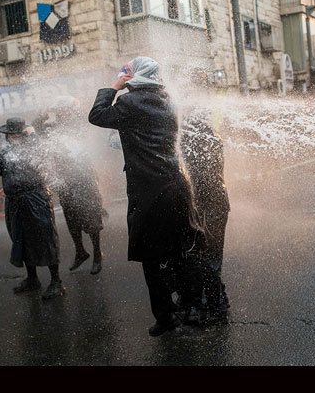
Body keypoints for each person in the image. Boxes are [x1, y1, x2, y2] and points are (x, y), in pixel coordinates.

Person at [88, 56, 205, 337]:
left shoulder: (130, 104)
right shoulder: (168, 100)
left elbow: (97, 116)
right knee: (180, 250)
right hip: (177, 186)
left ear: (134, 77)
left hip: (150, 192)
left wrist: (115, 85)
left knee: (152, 259)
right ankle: (191, 308)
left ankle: (166, 318)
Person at [0, 117, 64, 300]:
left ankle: (56, 281)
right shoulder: (5, 152)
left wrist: (32, 134)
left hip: (35, 198)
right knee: (21, 239)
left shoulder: (33, 146)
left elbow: (43, 150)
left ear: (23, 133)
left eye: (16, 134)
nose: (13, 138)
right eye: (10, 135)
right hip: (14, 202)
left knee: (45, 237)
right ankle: (32, 278)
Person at [35, 98, 105, 275]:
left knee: (91, 218)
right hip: (65, 181)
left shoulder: (78, 123)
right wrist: (42, 113)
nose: (61, 114)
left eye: (64, 111)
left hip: (84, 179)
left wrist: (76, 105)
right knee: (71, 219)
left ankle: (97, 254)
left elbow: (87, 118)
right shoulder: (53, 127)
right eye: (59, 111)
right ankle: (81, 251)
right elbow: (37, 128)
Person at [180, 110, 231, 324]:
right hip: (213, 204)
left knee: (209, 257)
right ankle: (217, 299)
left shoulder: (198, 143)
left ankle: (217, 309)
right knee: (207, 256)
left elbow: (200, 178)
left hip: (211, 206)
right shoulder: (211, 137)